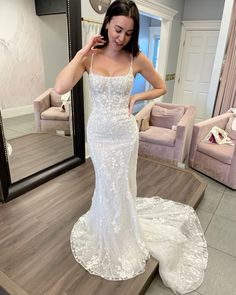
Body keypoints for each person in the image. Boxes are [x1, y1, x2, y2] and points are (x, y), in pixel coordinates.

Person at [54, 1, 208, 294]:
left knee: (122, 186)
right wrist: (82, 52)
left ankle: (123, 235)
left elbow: (161, 86)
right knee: (106, 185)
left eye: (128, 32)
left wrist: (138, 99)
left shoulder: (136, 58)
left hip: (125, 135)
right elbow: (60, 87)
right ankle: (106, 230)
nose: (121, 37)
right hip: (99, 134)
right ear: (107, 22)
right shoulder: (90, 57)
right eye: (117, 29)